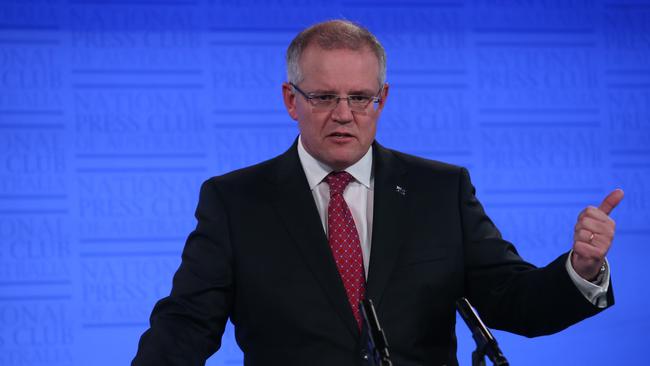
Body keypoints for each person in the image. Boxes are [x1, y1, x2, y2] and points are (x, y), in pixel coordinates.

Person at [132, 20, 623, 366]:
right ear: (291, 101)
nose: (344, 114)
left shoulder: (441, 191)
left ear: (382, 99)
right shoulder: (235, 201)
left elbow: (514, 301)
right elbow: (186, 325)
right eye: (324, 97)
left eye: (360, 98)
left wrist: (580, 270)